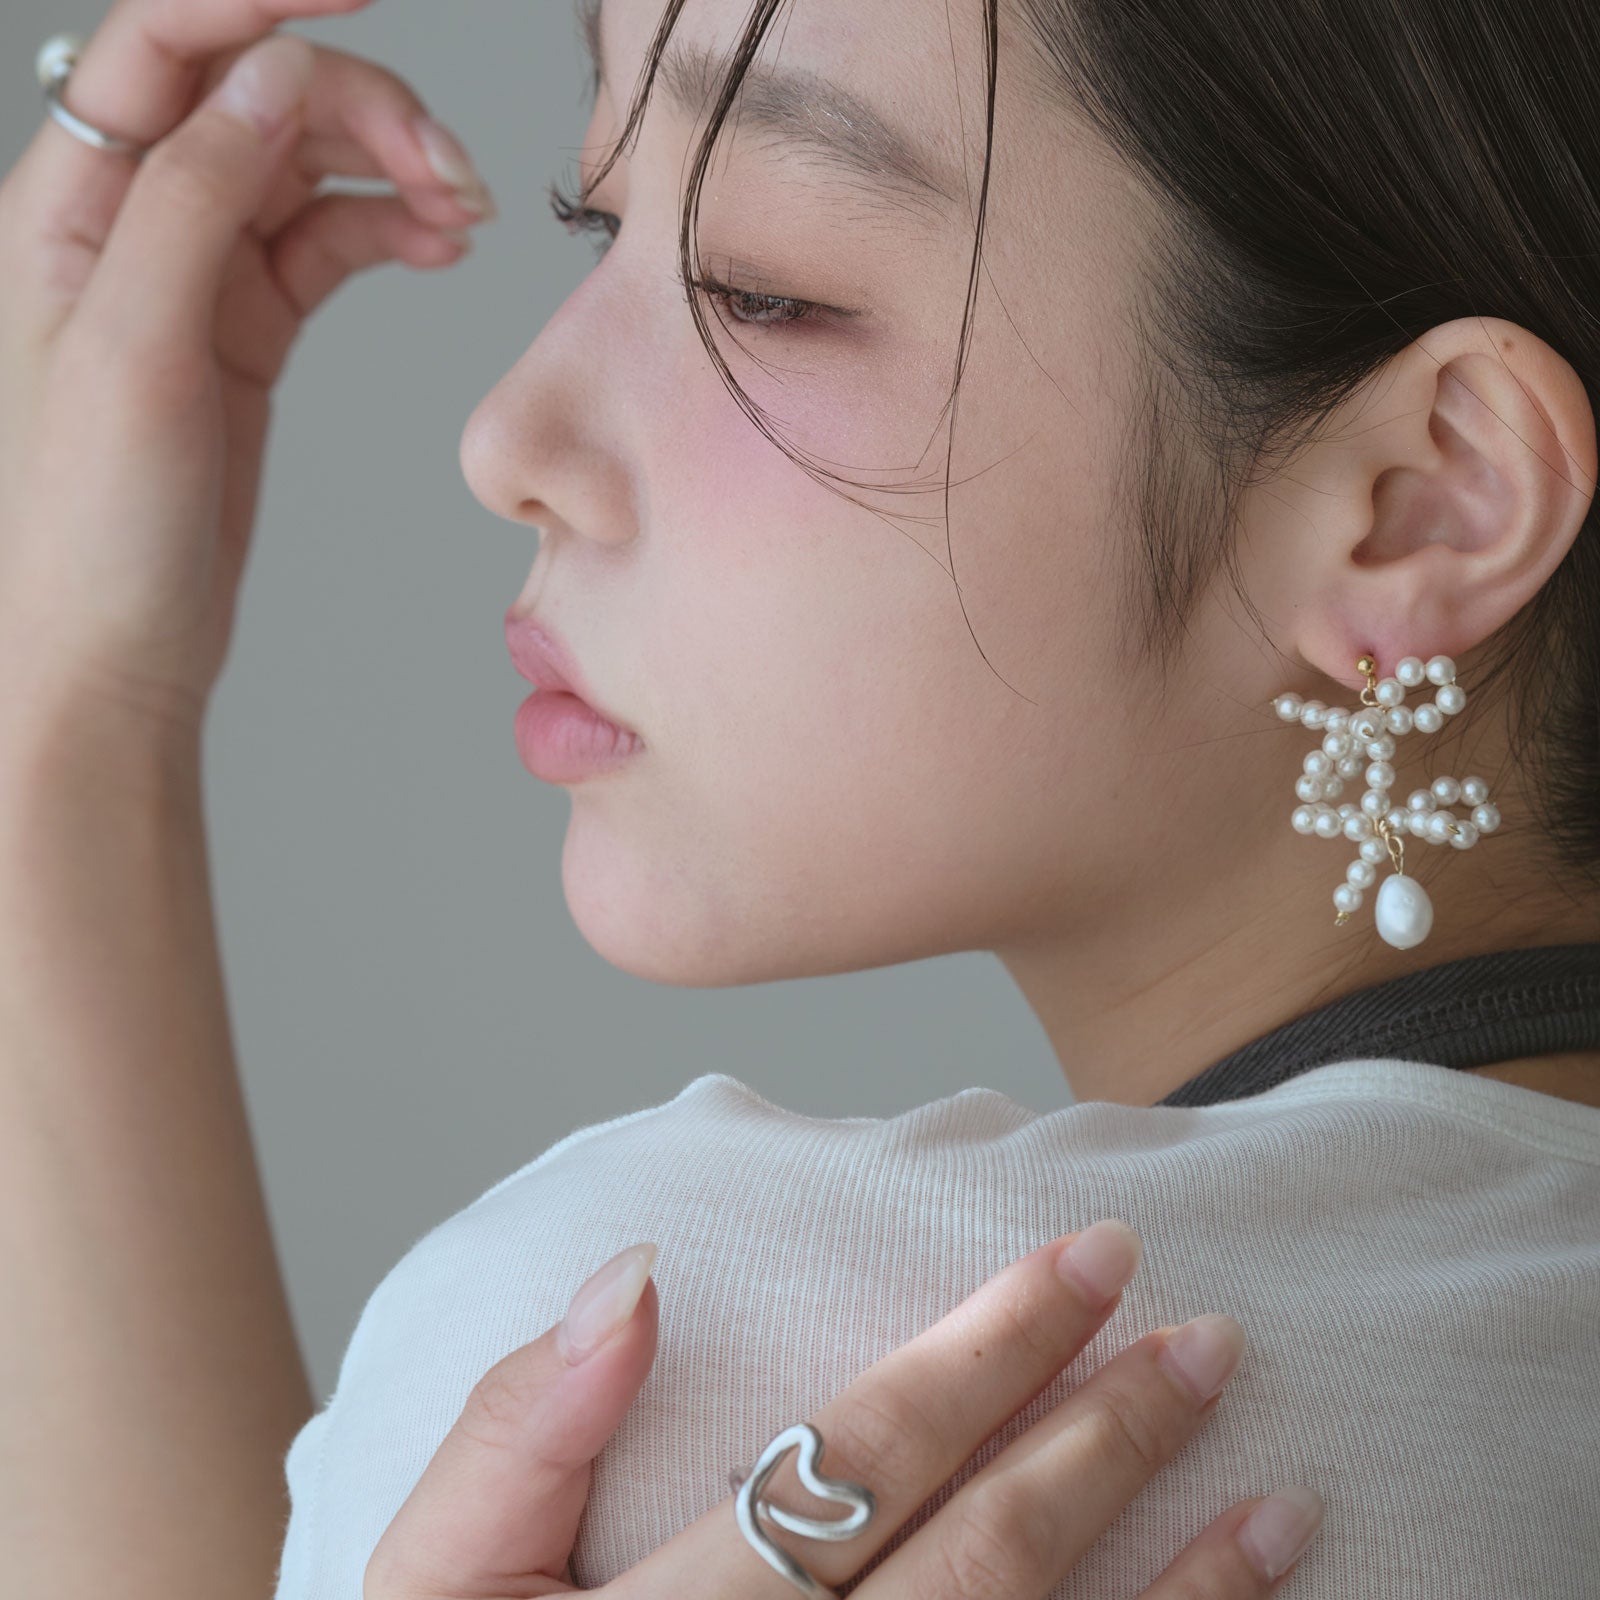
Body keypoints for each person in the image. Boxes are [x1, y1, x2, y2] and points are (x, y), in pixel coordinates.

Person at [1, 0, 1595, 1595]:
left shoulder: (682, 1351)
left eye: (763, 287)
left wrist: (69, 726)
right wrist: (70, 710)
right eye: (598, 220)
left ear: (1425, 501)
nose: (505, 439)